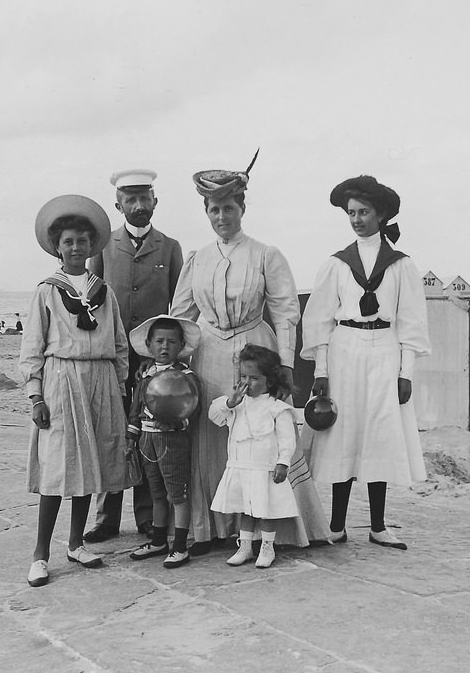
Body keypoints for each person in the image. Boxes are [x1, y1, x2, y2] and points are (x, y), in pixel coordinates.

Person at [170, 151, 329, 555]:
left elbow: (286, 314)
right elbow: (180, 316)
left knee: (264, 435)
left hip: (255, 351)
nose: (221, 216)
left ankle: (277, 528)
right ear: (205, 212)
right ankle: (216, 529)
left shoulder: (265, 255)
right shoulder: (197, 258)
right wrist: (170, 369)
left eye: (228, 207)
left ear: (242, 207)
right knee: (213, 436)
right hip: (207, 354)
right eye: (214, 209)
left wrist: (288, 366)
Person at [300, 175, 432, 550]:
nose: (356, 219)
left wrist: (406, 372)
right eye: (351, 213)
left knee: (378, 433)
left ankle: (377, 525)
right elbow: (320, 319)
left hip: (385, 348)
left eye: (364, 212)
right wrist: (321, 370)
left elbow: (411, 320)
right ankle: (337, 525)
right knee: (344, 431)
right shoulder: (336, 264)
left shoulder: (402, 265)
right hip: (345, 348)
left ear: (381, 215)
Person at [19, 194, 132, 588]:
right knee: (57, 470)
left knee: (89, 467)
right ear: (57, 247)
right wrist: (36, 396)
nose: (75, 248)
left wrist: (118, 388)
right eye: (68, 241)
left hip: (99, 381)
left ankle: (75, 543)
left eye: (82, 241)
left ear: (91, 246)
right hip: (61, 380)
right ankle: (39, 554)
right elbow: (32, 347)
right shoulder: (47, 292)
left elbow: (119, 345)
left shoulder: (105, 292)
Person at [84, 169, 185, 544]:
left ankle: (149, 516)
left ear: (155, 202)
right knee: (112, 432)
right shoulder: (103, 246)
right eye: (131, 199)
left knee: (150, 433)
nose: (139, 206)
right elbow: (90, 301)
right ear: (118, 204)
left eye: (145, 198)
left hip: (153, 362)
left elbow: (180, 305)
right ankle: (107, 518)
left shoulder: (170, 247)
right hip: (113, 358)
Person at [210, 345, 300, 569]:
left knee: (266, 509)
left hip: (265, 468)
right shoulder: (236, 405)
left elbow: (287, 440)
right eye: (243, 376)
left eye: (254, 378)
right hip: (241, 466)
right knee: (246, 510)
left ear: (269, 381)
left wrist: (283, 462)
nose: (247, 383)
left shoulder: (277, 409)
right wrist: (231, 403)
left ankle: (267, 547)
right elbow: (215, 416)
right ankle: (245, 547)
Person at [126, 314, 202, 569]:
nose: (165, 347)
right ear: (148, 345)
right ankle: (158, 540)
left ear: (181, 346)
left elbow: (195, 409)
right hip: (147, 440)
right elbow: (136, 409)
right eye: (159, 341)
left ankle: (179, 546)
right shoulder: (145, 374)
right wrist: (131, 438)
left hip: (173, 440)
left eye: (171, 342)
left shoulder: (186, 376)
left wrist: (176, 422)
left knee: (177, 494)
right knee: (156, 493)